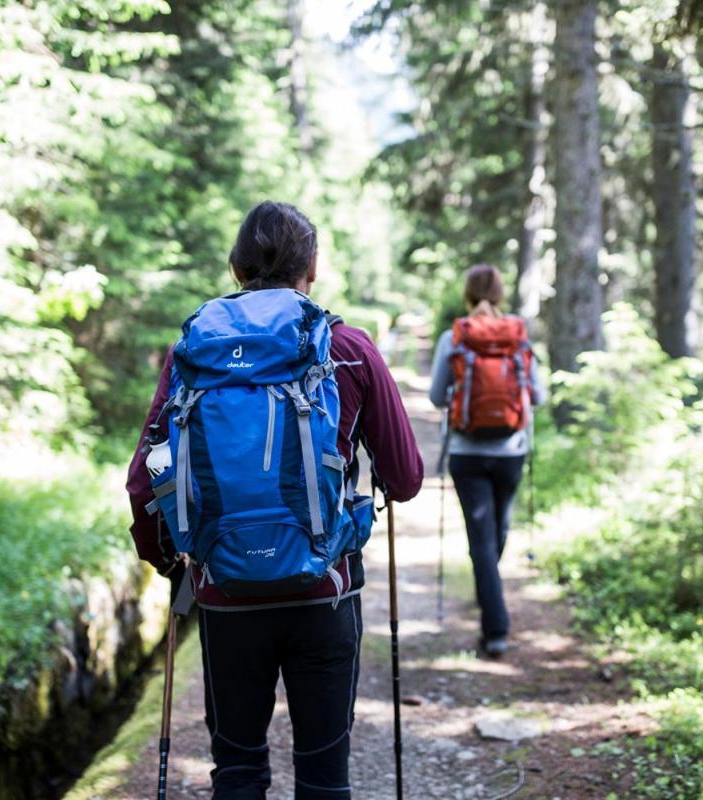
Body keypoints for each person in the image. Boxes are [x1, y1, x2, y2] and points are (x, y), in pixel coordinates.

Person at [126, 201, 423, 800]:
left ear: (236, 267)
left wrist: (170, 557)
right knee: (322, 775)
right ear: (311, 266)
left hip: (225, 591)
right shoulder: (346, 347)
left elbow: (145, 478)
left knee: (237, 771)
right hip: (324, 591)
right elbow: (407, 476)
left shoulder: (196, 351)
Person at [428, 264, 545, 658]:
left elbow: (435, 395)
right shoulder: (518, 336)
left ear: (467, 293)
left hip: (466, 451)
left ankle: (493, 618)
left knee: (481, 540)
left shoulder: (455, 336)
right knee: (497, 532)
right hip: (512, 450)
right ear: (499, 293)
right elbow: (539, 396)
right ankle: (495, 625)